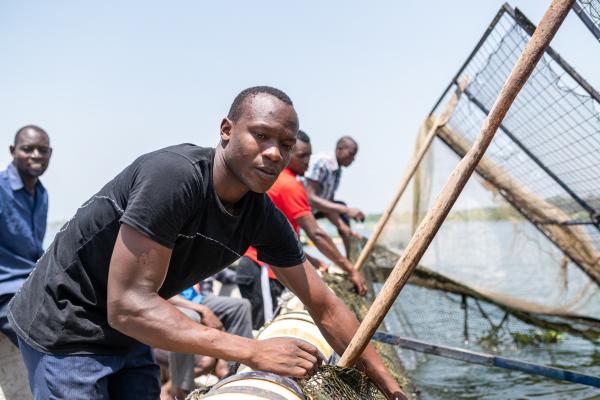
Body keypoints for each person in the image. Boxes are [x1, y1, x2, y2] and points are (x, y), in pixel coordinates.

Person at [8, 86, 405, 400]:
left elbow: (323, 305)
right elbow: (128, 304)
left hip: (127, 332)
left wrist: (388, 385)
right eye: (261, 135)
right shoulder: (173, 178)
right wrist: (252, 351)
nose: (273, 153)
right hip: (65, 321)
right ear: (227, 130)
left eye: (285, 145)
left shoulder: (261, 215)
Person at [238, 130, 367, 329]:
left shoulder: (285, 181)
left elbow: (286, 240)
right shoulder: (289, 185)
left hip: (267, 267)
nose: (308, 161)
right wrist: (351, 270)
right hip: (260, 268)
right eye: (302, 156)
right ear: (287, 156)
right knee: (264, 330)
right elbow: (316, 233)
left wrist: (313, 260)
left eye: (309, 155)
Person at [0, 125, 52, 346]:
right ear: (13, 150)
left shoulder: (41, 193)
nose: (36, 155)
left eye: (43, 150)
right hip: (6, 293)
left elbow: (33, 251)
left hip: (33, 286)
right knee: (51, 338)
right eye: (28, 149)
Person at [165, 270, 253, 398]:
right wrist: (203, 310)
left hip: (200, 297)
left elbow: (224, 274)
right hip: (173, 301)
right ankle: (181, 390)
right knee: (191, 317)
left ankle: (238, 371)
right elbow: (159, 293)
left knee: (242, 305)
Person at [304, 136, 364, 257]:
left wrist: (343, 227)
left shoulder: (337, 170)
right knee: (342, 209)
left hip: (316, 209)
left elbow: (328, 205)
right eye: (351, 154)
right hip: (301, 207)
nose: (353, 159)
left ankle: (350, 260)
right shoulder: (322, 162)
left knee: (341, 208)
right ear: (339, 150)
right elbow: (310, 198)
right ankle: (345, 264)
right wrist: (347, 210)